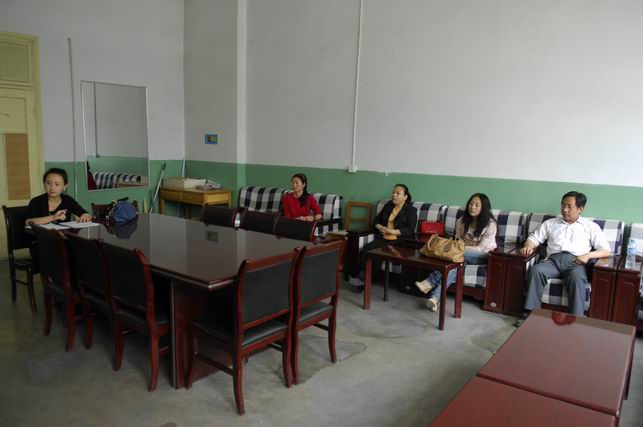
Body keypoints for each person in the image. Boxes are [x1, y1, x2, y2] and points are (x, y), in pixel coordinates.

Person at [516, 191, 610, 325]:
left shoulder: (590, 227)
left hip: (576, 262)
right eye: (563, 205)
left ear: (580, 209)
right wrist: (529, 246)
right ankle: (531, 315)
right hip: (552, 261)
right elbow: (533, 238)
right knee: (536, 271)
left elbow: (606, 250)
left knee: (576, 279)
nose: (565, 210)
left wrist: (588, 255)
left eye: (569, 206)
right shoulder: (550, 223)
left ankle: (576, 321)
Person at [415, 193, 497, 312]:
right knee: (456, 264)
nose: (472, 207)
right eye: (471, 203)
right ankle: (434, 299)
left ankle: (430, 282)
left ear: (484, 208)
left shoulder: (490, 225)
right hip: (462, 254)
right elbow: (458, 240)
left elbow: (480, 249)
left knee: (456, 255)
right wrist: (457, 249)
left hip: (484, 256)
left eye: (477, 205)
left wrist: (456, 250)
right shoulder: (461, 221)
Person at [348, 184, 418, 292]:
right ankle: (356, 275)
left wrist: (393, 231)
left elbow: (410, 229)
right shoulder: (389, 205)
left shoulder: (411, 210)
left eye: (398, 193)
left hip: (399, 240)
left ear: (405, 197)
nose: (394, 195)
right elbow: (376, 220)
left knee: (377, 254)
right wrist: (380, 227)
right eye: (393, 192)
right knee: (367, 248)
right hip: (384, 237)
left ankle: (364, 283)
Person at [26, 168, 92, 225]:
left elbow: (86, 214)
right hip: (41, 235)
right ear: (44, 184)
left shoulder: (68, 200)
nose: (52, 187)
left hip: (63, 235)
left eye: (57, 184)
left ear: (64, 186)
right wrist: (53, 217)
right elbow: (28, 222)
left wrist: (86, 215)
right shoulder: (36, 201)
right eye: (48, 183)